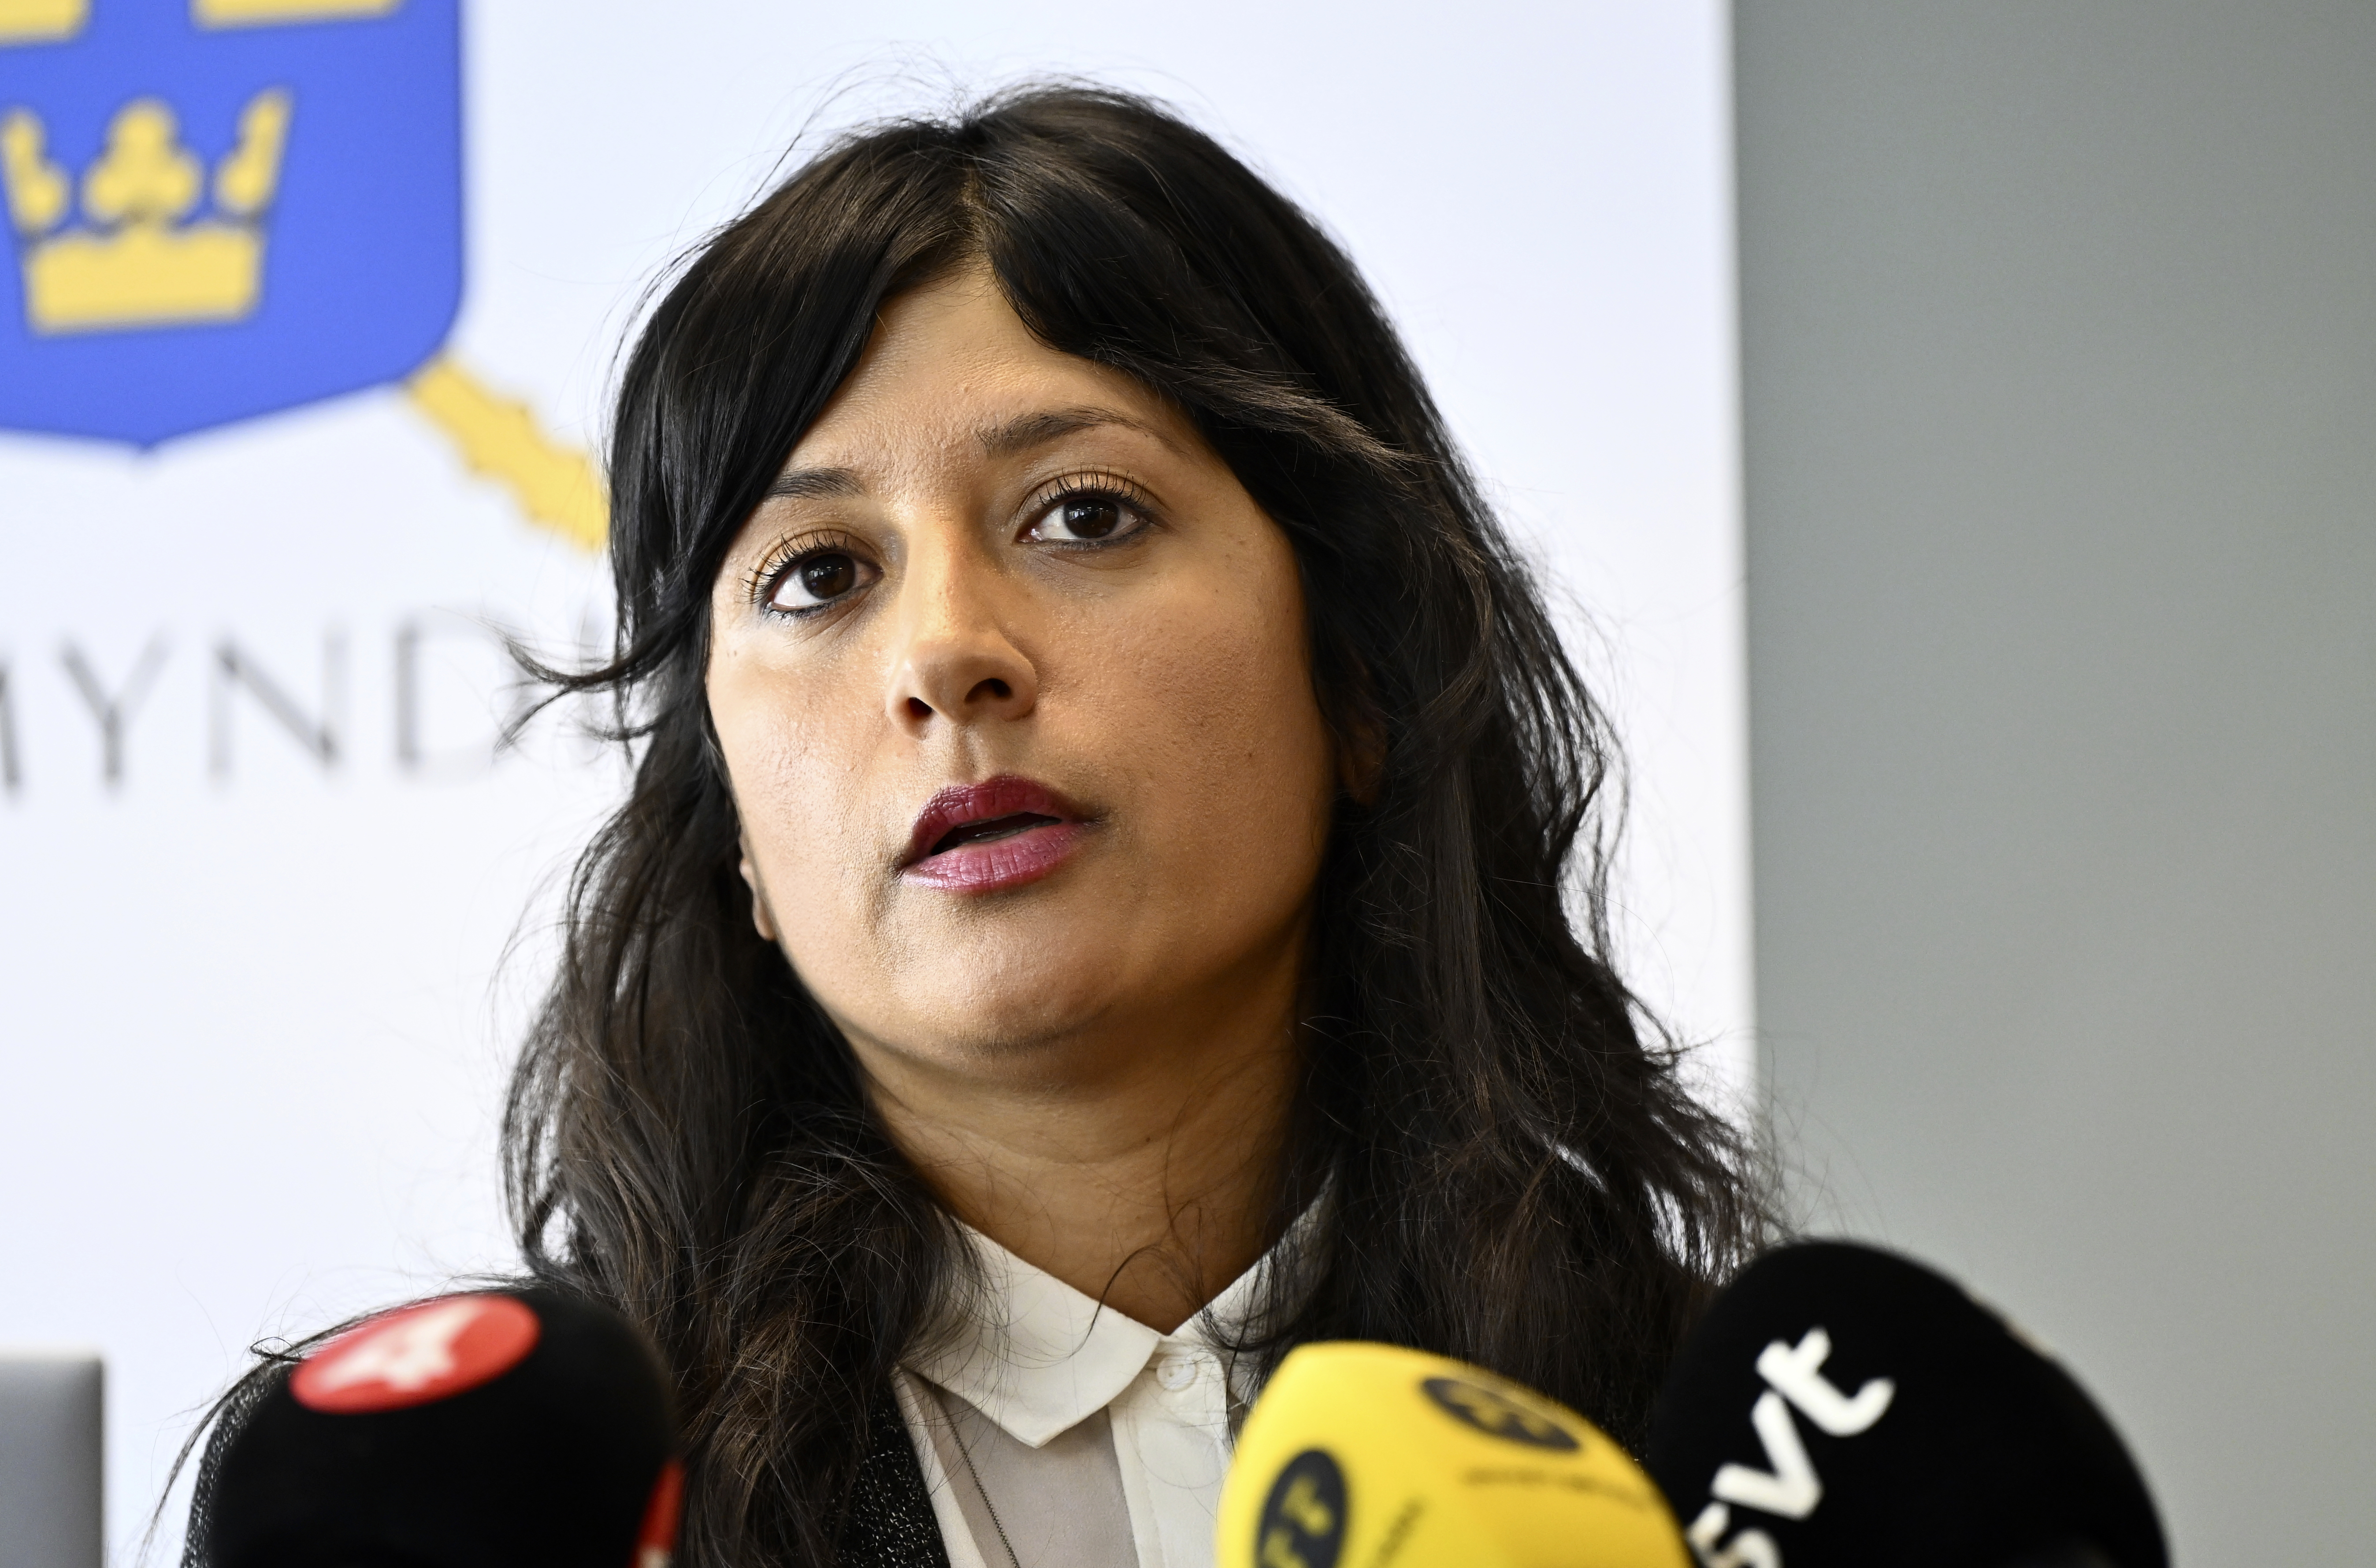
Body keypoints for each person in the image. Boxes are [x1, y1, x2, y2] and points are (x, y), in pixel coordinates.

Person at [189, 83, 1765, 1568]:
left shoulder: (1717, 1457)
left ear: (1357, 675)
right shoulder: (508, 1511)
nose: (947, 651)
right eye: (818, 574)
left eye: (1085, 513)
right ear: (727, 819)